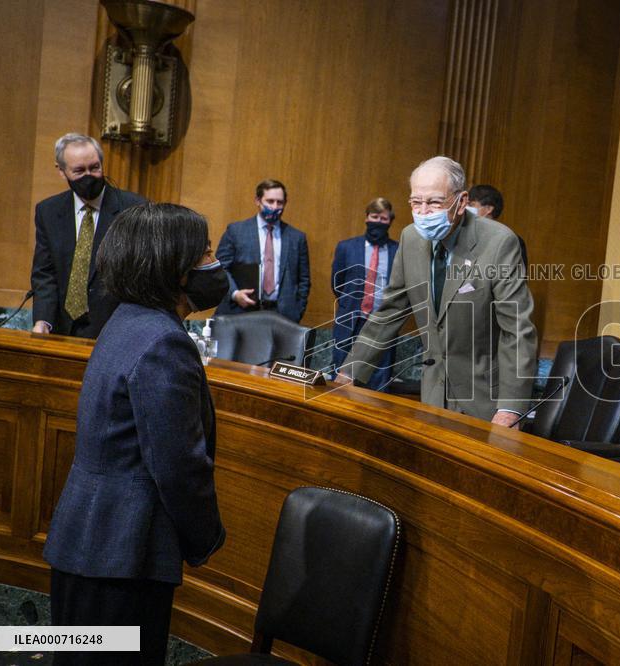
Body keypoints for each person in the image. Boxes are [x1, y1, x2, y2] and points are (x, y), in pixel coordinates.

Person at [43, 203, 227, 665]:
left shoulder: (124, 321)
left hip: (88, 542)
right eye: (205, 254)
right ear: (175, 269)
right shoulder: (163, 341)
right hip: (124, 556)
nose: (214, 264)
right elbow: (178, 465)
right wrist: (207, 538)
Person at [339, 157, 537, 426]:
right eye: (415, 202)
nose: (423, 212)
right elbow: (390, 311)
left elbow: (516, 328)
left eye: (434, 202)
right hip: (433, 395)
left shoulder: (499, 243)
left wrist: (511, 407)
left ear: (462, 201)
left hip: (484, 401)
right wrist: (350, 374)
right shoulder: (410, 239)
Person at [30, 133, 147, 337]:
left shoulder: (133, 209)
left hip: (113, 331)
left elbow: (141, 275)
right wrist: (43, 320)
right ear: (61, 171)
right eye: (79, 171)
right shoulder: (48, 211)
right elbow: (45, 273)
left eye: (94, 168)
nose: (89, 176)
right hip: (61, 330)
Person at [215, 179, 311, 323]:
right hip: (241, 312)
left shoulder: (296, 237)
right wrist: (235, 294)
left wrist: (297, 311)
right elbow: (220, 267)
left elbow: (304, 279)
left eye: (280, 202)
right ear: (258, 201)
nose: (275, 206)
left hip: (282, 316)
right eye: (270, 201)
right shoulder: (236, 231)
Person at [331, 198, 400, 390]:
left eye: (383, 218)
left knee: (378, 381)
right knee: (341, 378)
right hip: (350, 320)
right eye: (374, 216)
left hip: (382, 324)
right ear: (366, 218)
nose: (378, 221)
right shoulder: (346, 247)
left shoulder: (399, 251)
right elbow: (337, 284)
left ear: (390, 221)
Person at [468, 184, 528, 268]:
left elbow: (513, 278)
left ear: (488, 209)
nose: (466, 208)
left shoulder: (510, 240)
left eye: (471, 205)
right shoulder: (465, 234)